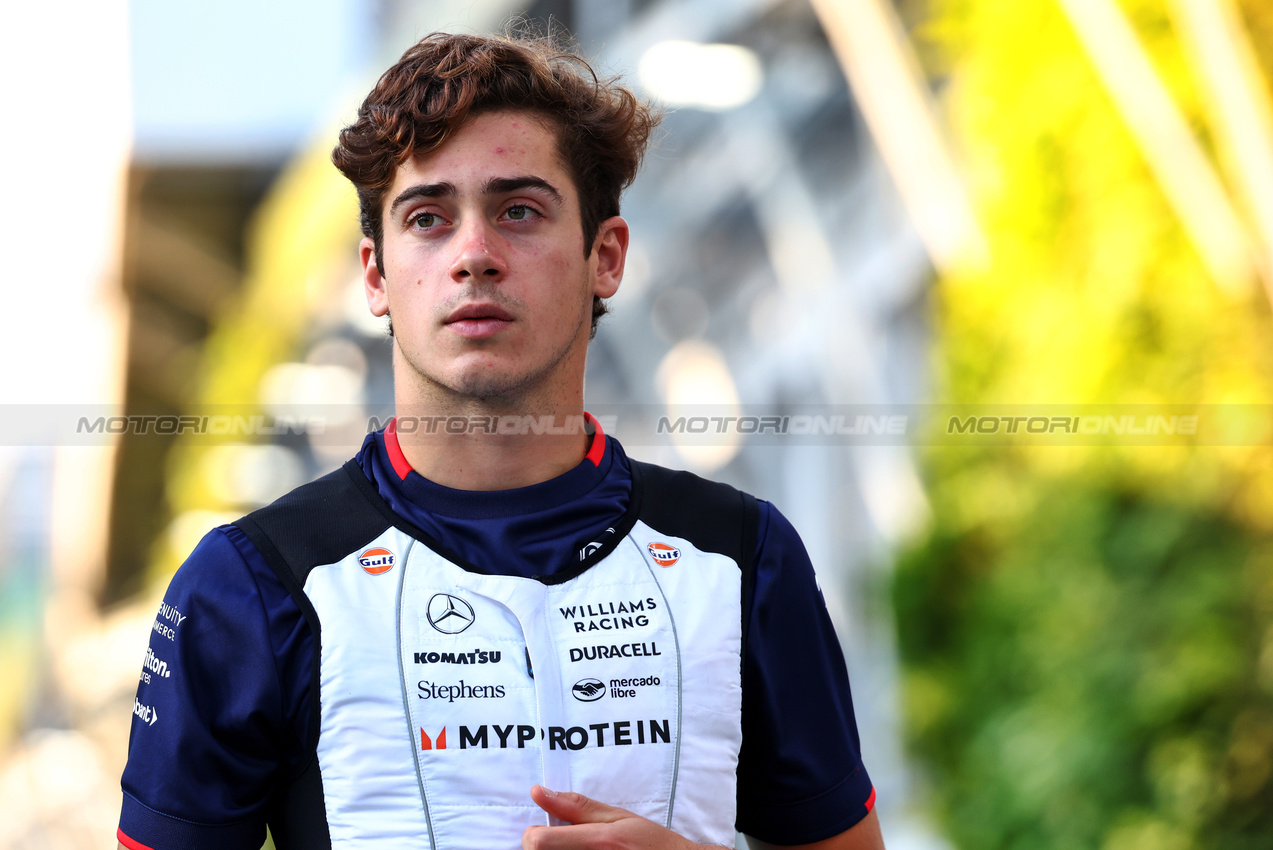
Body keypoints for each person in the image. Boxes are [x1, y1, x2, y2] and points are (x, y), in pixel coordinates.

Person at [117, 30, 884, 850]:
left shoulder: (742, 556)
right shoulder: (246, 586)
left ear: (605, 257)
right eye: (428, 218)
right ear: (375, 276)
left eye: (518, 211)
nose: (473, 255)